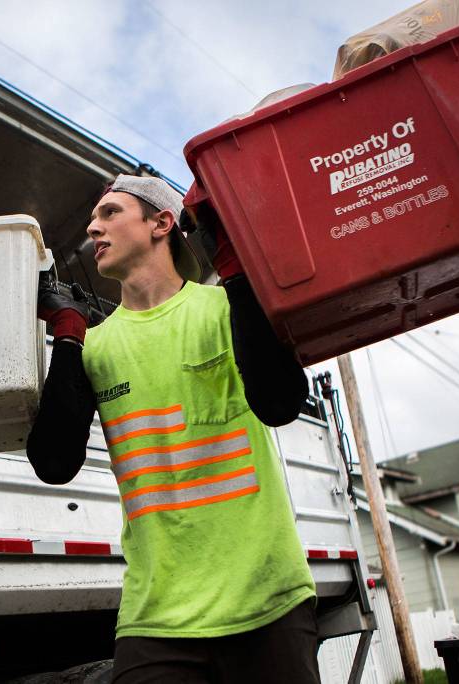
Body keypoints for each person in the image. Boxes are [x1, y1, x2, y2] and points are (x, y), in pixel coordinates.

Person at [26, 174, 320, 683]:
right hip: (156, 618)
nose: (93, 227)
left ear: (162, 222)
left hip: (267, 601)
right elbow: (54, 463)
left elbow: (281, 403)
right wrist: (69, 334)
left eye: (110, 213)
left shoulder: (226, 307)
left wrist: (235, 266)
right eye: (94, 218)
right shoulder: (95, 346)